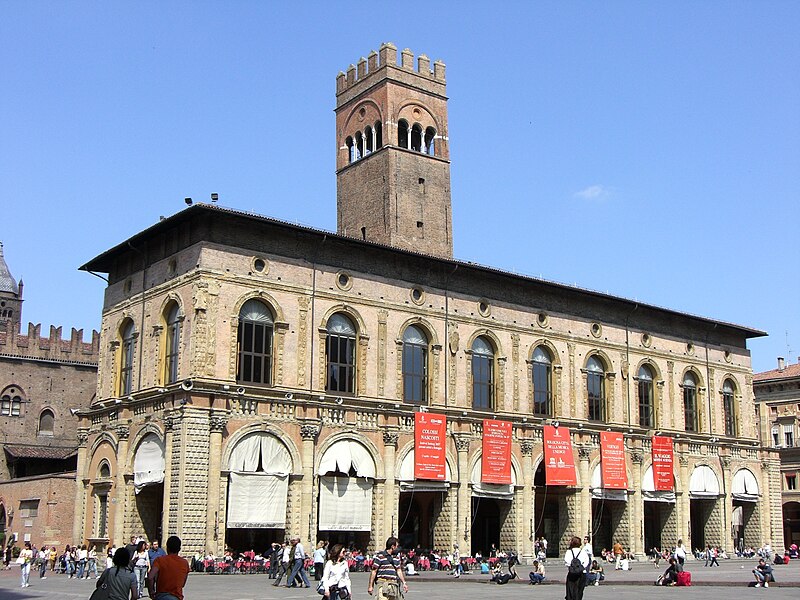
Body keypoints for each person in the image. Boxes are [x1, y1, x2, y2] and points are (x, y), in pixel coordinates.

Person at [146, 535, 190, 600]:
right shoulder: (184, 563)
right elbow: (183, 584)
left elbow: (150, 577)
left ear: (167, 548)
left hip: (161, 596)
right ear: (179, 549)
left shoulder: (159, 560)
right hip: (176, 596)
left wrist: (151, 592)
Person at [564, 536, 590, 600]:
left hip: (572, 573)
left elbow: (566, 562)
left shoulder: (569, 552)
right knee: (579, 591)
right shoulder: (583, 552)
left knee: (571, 591)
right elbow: (587, 561)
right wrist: (581, 567)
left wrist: (572, 567)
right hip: (581, 573)